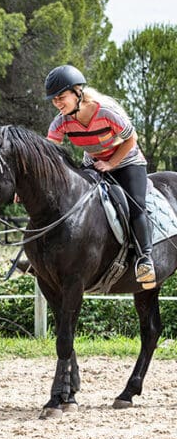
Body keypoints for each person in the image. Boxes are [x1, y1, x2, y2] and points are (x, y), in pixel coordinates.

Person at [44, 64, 155, 287]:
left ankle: (145, 259)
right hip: (94, 163)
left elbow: (131, 139)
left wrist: (111, 163)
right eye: (54, 100)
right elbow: (46, 154)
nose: (57, 104)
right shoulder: (62, 121)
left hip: (127, 161)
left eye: (61, 97)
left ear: (78, 92)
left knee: (136, 204)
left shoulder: (106, 111)